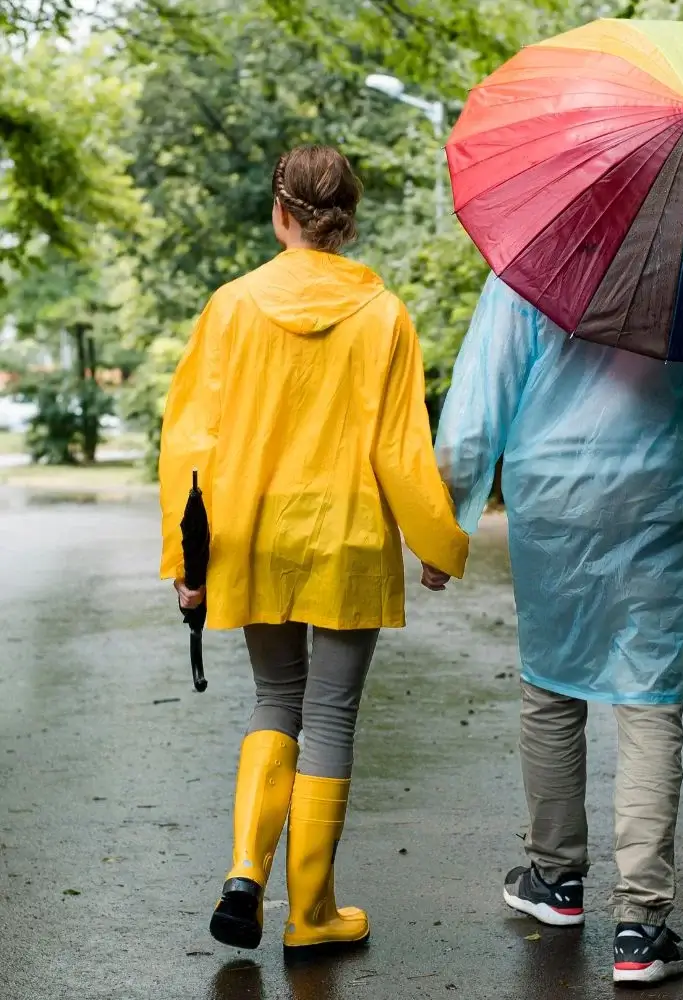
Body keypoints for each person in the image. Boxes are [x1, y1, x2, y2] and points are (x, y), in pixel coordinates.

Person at [159, 145, 468, 956]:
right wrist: (437, 542)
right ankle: (313, 914)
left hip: (256, 535)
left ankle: (243, 878)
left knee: (274, 702)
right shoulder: (386, 314)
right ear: (349, 219)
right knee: (330, 714)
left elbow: (192, 445)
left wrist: (190, 563)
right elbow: (403, 448)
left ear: (279, 213)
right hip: (349, 536)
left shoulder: (231, 307)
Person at [434, 273, 683, 986]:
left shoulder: (525, 269)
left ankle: (555, 879)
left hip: (552, 504)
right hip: (655, 501)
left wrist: (445, 526)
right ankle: (641, 928)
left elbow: (471, 425)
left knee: (551, 685)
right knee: (650, 696)